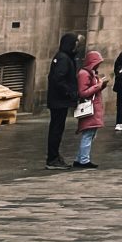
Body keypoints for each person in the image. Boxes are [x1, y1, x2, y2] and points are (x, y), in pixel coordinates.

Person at [45, 31, 81, 169]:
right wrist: (70, 93)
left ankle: (54, 156)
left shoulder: (64, 57)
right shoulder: (63, 59)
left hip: (58, 100)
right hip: (59, 100)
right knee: (56, 129)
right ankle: (52, 158)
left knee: (57, 128)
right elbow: (58, 79)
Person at [73, 50, 106, 168]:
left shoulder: (90, 72)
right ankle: (84, 160)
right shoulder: (84, 74)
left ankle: (80, 158)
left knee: (90, 134)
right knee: (88, 134)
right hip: (90, 107)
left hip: (94, 107)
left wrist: (100, 85)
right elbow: (83, 92)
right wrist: (98, 86)